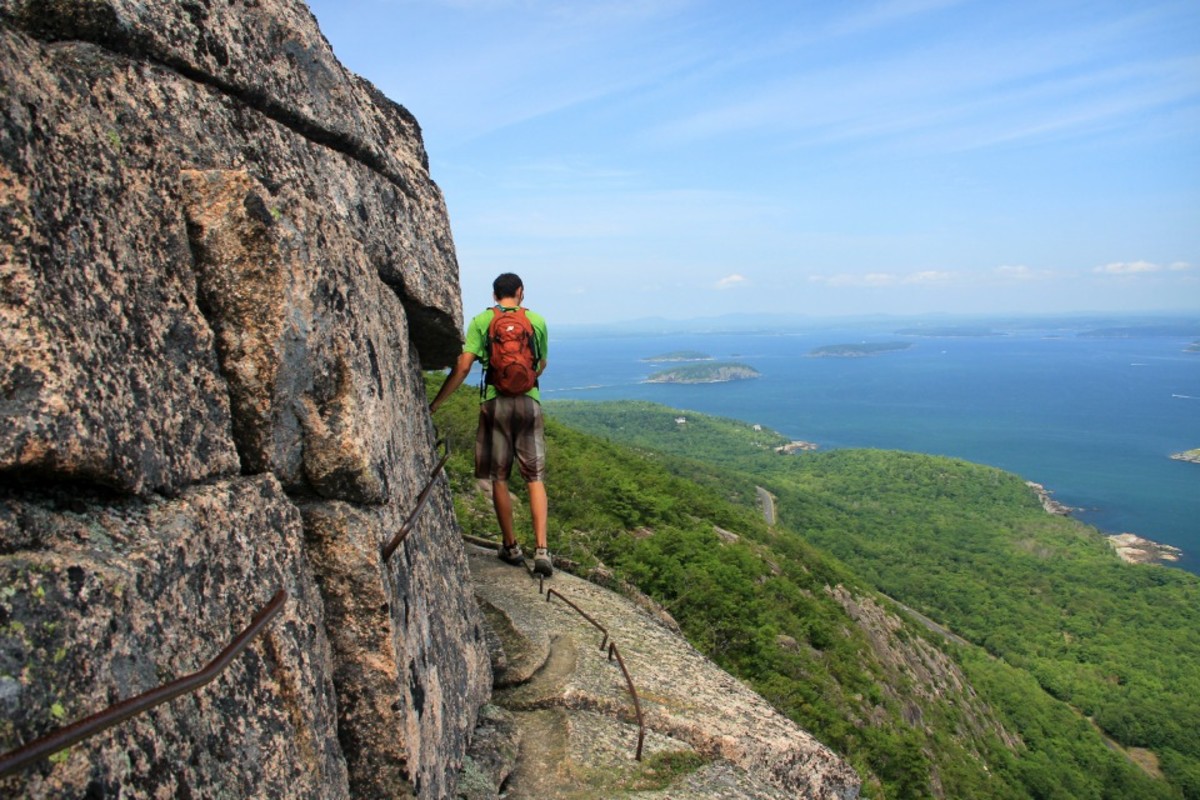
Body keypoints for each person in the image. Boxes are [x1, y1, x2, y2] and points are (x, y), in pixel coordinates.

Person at [429, 273, 552, 576]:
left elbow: (463, 366)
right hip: (529, 402)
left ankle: (510, 547)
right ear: (520, 292)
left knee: (499, 477)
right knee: (534, 477)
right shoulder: (536, 321)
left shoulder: (482, 322)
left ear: (494, 294)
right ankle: (542, 550)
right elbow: (541, 365)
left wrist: (436, 403)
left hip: (494, 403)